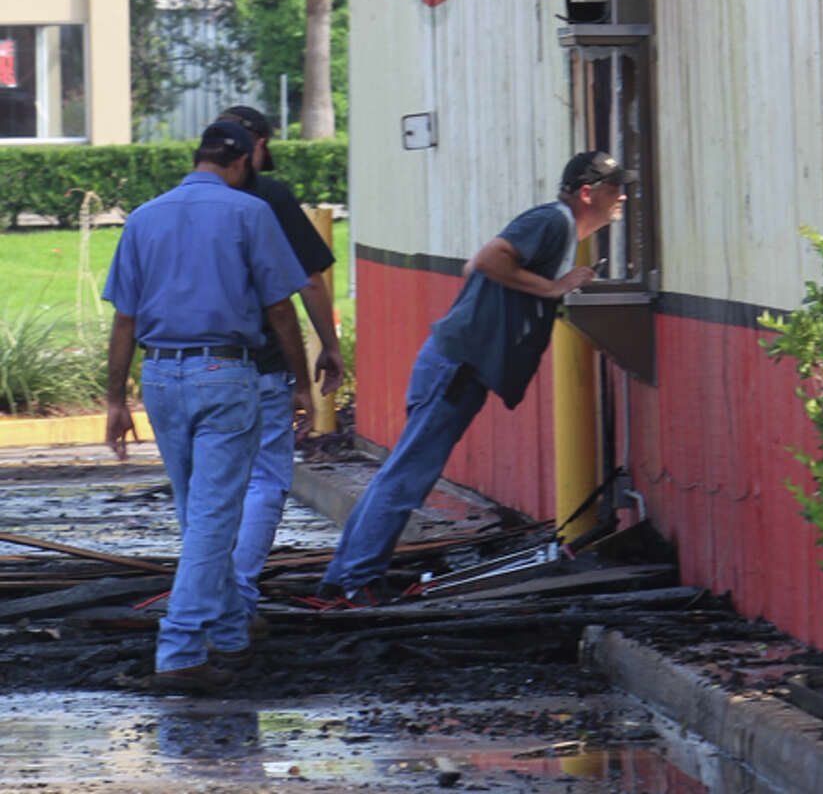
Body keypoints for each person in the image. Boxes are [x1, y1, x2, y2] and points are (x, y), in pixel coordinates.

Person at [317, 148, 632, 605]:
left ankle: (344, 576)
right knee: (407, 477)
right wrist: (554, 287)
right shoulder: (555, 221)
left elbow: (476, 267)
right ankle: (355, 582)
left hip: (452, 363)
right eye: (615, 188)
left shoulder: (555, 226)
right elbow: (487, 260)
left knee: (403, 473)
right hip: (456, 367)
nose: (622, 197)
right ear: (588, 193)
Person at [104, 119, 315, 694]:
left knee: (199, 513)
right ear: (244, 161)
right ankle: (179, 647)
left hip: (161, 377)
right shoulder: (250, 214)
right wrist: (302, 383)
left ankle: (228, 631)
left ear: (197, 158)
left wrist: (115, 400)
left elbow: (124, 319)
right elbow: (279, 309)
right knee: (213, 519)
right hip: (225, 372)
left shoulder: (145, 217)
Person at [213, 104, 345, 624]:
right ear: (258, 147)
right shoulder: (269, 198)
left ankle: (209, 591)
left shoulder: (177, 204)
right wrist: (328, 349)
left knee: (215, 485)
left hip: (191, 366)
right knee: (267, 478)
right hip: (262, 362)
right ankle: (239, 594)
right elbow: (306, 284)